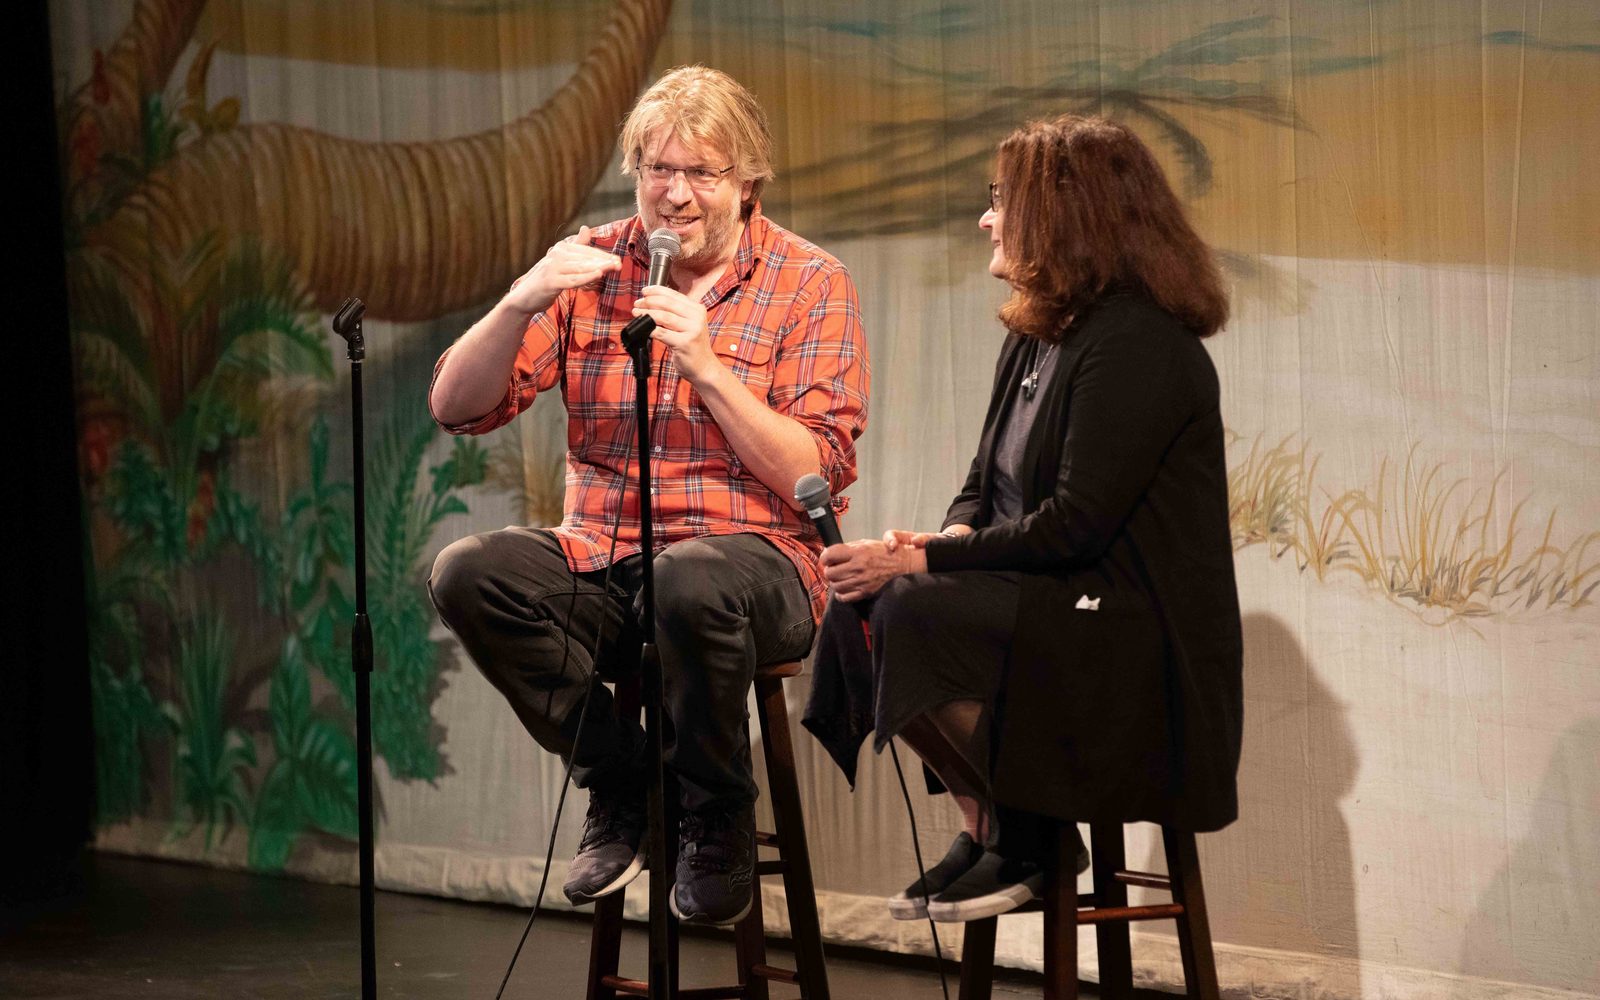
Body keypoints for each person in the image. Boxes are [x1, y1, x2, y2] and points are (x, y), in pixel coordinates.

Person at [428, 66, 869, 927]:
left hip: (757, 569)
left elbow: (815, 466)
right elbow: (458, 407)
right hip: (608, 555)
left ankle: (714, 813)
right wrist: (519, 304)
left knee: (689, 579)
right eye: (656, 170)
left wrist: (708, 368)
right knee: (468, 572)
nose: (673, 195)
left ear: (746, 182)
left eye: (701, 173)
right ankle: (621, 783)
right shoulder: (595, 264)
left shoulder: (810, 282)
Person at [807, 114, 1241, 923]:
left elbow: (1075, 524)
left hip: (1129, 636)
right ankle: (996, 823)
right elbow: (983, 489)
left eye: (1002, 201)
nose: (986, 218)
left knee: (907, 602)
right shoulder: (1039, 336)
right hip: (1056, 605)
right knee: (861, 602)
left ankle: (1031, 833)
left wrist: (924, 564)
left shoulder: (1136, 343)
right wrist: (948, 537)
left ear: (1065, 217)